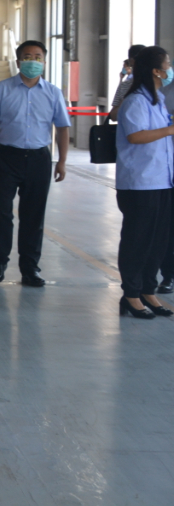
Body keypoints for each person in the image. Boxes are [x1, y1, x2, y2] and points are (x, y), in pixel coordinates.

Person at [0, 40, 70, 287]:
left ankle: (30, 269)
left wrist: (62, 161)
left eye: (38, 57)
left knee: (33, 215)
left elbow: (62, 128)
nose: (33, 61)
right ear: (19, 62)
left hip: (39, 159)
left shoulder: (53, 93)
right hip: (6, 158)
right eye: (28, 57)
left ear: (44, 61)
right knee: (1, 211)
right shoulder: (2, 89)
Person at [114, 45, 174, 319]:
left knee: (157, 242)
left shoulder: (157, 99)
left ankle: (148, 290)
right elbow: (135, 136)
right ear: (156, 70)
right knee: (137, 241)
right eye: (167, 64)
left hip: (162, 180)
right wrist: (170, 129)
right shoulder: (136, 100)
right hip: (139, 183)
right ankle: (131, 295)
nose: (170, 68)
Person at [109, 44, 145, 121]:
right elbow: (113, 116)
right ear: (132, 61)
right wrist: (126, 101)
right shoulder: (124, 85)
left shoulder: (156, 85)